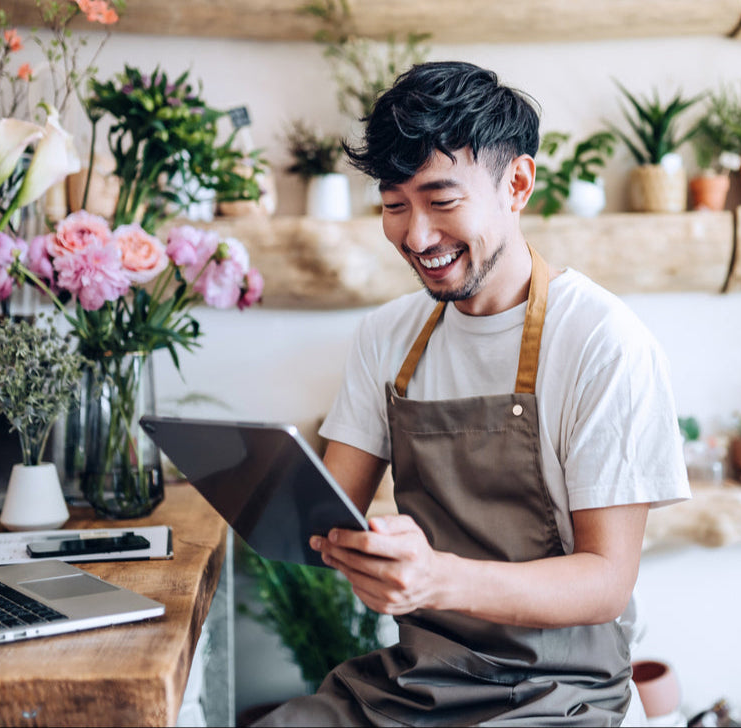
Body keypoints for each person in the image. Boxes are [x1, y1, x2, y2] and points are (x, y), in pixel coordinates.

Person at [255, 61, 690, 726]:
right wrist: (338, 542)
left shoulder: (603, 343)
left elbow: (607, 581)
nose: (417, 236)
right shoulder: (387, 337)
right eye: (394, 205)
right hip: (418, 680)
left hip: (559, 692)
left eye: (442, 200)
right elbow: (329, 513)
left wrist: (437, 578)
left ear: (517, 183)